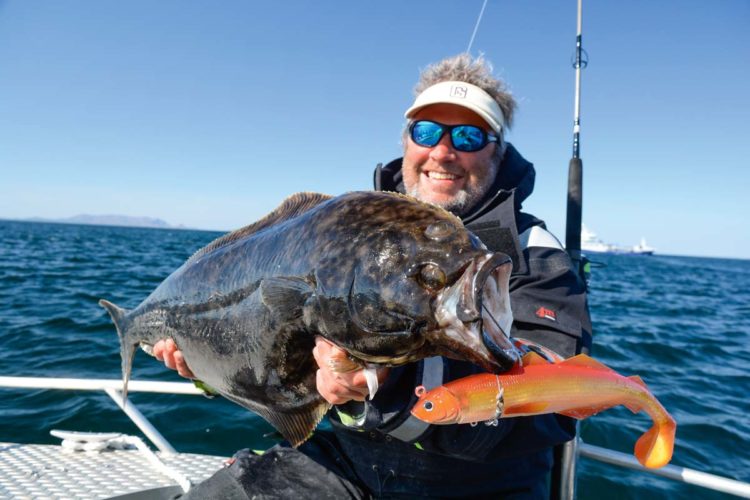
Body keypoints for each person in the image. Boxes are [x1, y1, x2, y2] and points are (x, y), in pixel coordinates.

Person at [155, 53, 592, 499]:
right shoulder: (346, 232)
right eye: (426, 131)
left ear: (497, 150)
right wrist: (210, 370)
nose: (443, 151)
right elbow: (284, 356)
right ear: (406, 141)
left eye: (468, 135)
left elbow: (557, 393)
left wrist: (390, 385)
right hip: (342, 461)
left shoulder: (534, 252)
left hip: (480, 485)